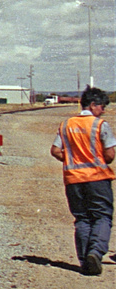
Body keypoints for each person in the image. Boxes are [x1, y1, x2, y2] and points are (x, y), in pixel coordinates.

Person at [50, 86, 116, 275]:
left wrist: (72, 160)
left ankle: (85, 261)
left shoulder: (66, 125)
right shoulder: (100, 125)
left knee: (82, 219)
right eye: (102, 107)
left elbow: (55, 151)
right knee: (102, 216)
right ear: (93, 105)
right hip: (97, 178)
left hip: (73, 180)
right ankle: (95, 252)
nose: (103, 111)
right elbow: (110, 155)